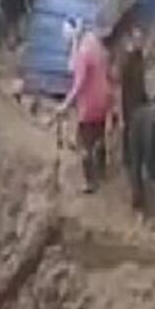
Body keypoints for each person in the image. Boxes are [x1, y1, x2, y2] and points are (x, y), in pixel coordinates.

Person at [59, 22, 115, 193]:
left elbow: (79, 82)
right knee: (99, 136)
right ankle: (102, 171)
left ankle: (90, 182)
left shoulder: (83, 52)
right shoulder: (97, 44)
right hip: (103, 100)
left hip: (88, 105)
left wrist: (65, 104)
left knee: (84, 142)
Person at [116, 26, 148, 175]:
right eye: (137, 39)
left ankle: (136, 159)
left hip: (139, 103)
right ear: (132, 41)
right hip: (128, 104)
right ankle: (127, 161)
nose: (140, 42)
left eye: (142, 39)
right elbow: (120, 87)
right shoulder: (127, 60)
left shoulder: (140, 57)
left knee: (137, 133)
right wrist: (121, 114)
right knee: (128, 132)